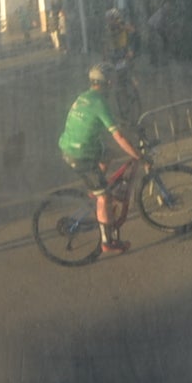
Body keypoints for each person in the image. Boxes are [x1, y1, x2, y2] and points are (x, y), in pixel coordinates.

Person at [59, 63, 141, 255]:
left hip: (76, 146)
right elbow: (119, 136)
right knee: (104, 196)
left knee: (109, 152)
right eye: (111, 81)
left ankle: (95, 190)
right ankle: (107, 242)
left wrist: (126, 125)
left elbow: (108, 120)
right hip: (79, 155)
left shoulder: (87, 96)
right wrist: (137, 155)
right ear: (107, 83)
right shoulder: (100, 102)